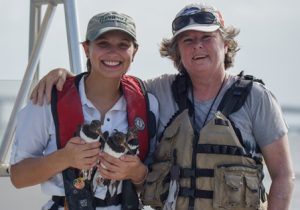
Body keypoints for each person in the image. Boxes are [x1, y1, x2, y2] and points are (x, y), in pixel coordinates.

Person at [30, 3, 295, 210]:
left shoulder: (256, 99)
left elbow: (283, 175)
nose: (197, 46)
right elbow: (106, 79)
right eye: (187, 40)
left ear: (225, 45)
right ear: (177, 52)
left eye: (206, 37)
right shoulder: (158, 92)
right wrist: (63, 75)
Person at [10, 11, 159, 210]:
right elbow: (18, 177)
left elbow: (150, 180)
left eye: (123, 45)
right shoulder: (48, 99)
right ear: (86, 49)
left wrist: (137, 172)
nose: (113, 52)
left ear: (134, 52)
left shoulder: (149, 104)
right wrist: (65, 158)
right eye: (103, 43)